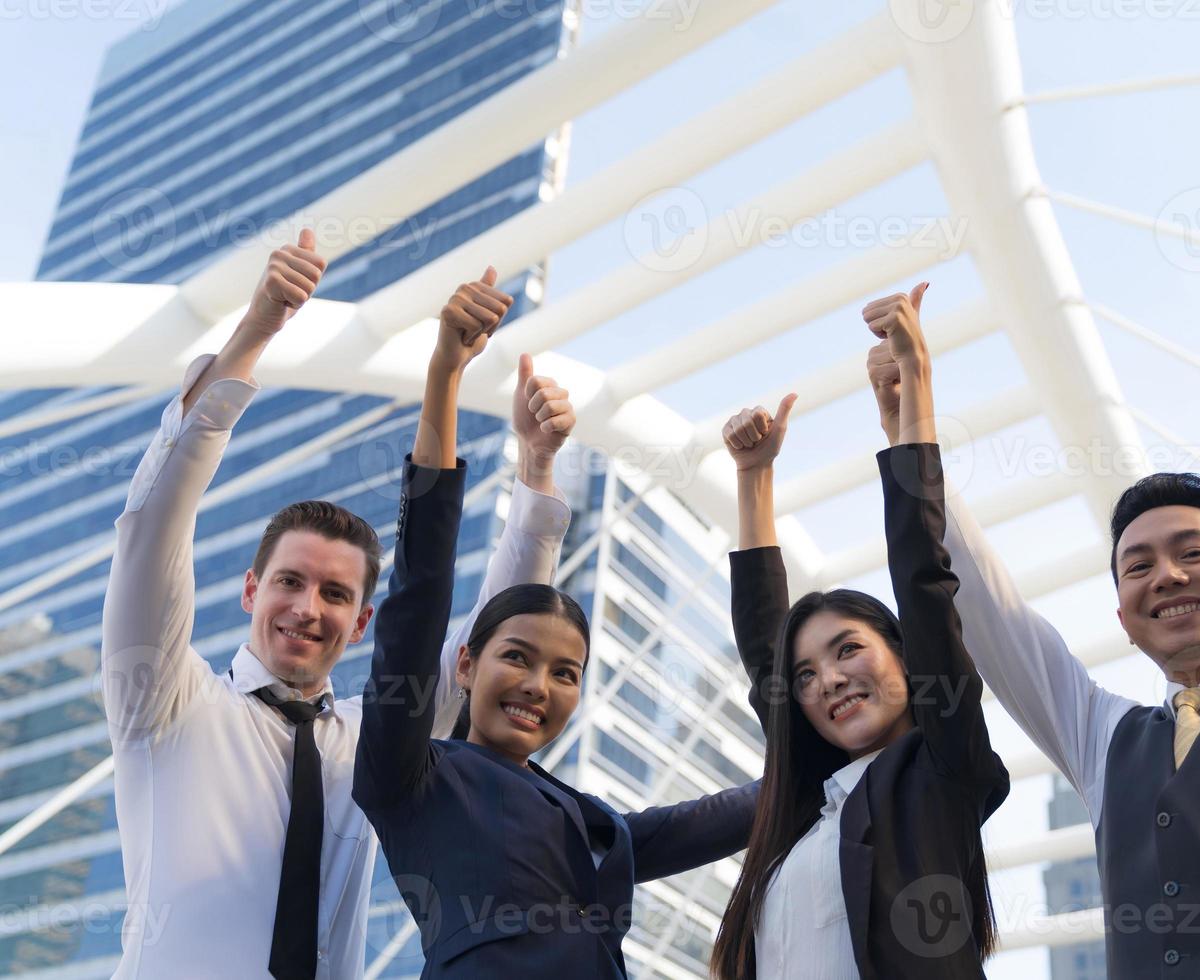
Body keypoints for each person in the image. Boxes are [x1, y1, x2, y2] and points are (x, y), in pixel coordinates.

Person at [866, 151, 1200, 975]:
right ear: (1123, 619)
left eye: (1193, 552)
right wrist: (911, 435)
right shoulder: (1105, 743)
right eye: (1137, 567)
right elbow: (980, 608)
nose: (1165, 575)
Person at [99, 239, 574, 979]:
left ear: (361, 623)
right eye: (288, 582)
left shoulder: (373, 739)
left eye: (334, 594)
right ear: (252, 591)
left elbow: (501, 637)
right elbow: (153, 524)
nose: (306, 607)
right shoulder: (163, 699)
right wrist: (255, 331)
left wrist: (536, 468)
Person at [351, 299, 761, 979]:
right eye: (517, 657)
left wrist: (830, 749)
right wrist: (445, 374)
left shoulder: (586, 817)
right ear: (466, 664)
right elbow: (417, 595)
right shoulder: (412, 772)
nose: (540, 685)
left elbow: (714, 818)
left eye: (567, 672)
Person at [710, 285, 1010, 979]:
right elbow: (766, 657)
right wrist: (754, 479)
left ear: (907, 659)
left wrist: (914, 403)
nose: (831, 680)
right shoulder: (804, 822)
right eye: (809, 675)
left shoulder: (940, 772)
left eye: (848, 649)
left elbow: (925, 585)